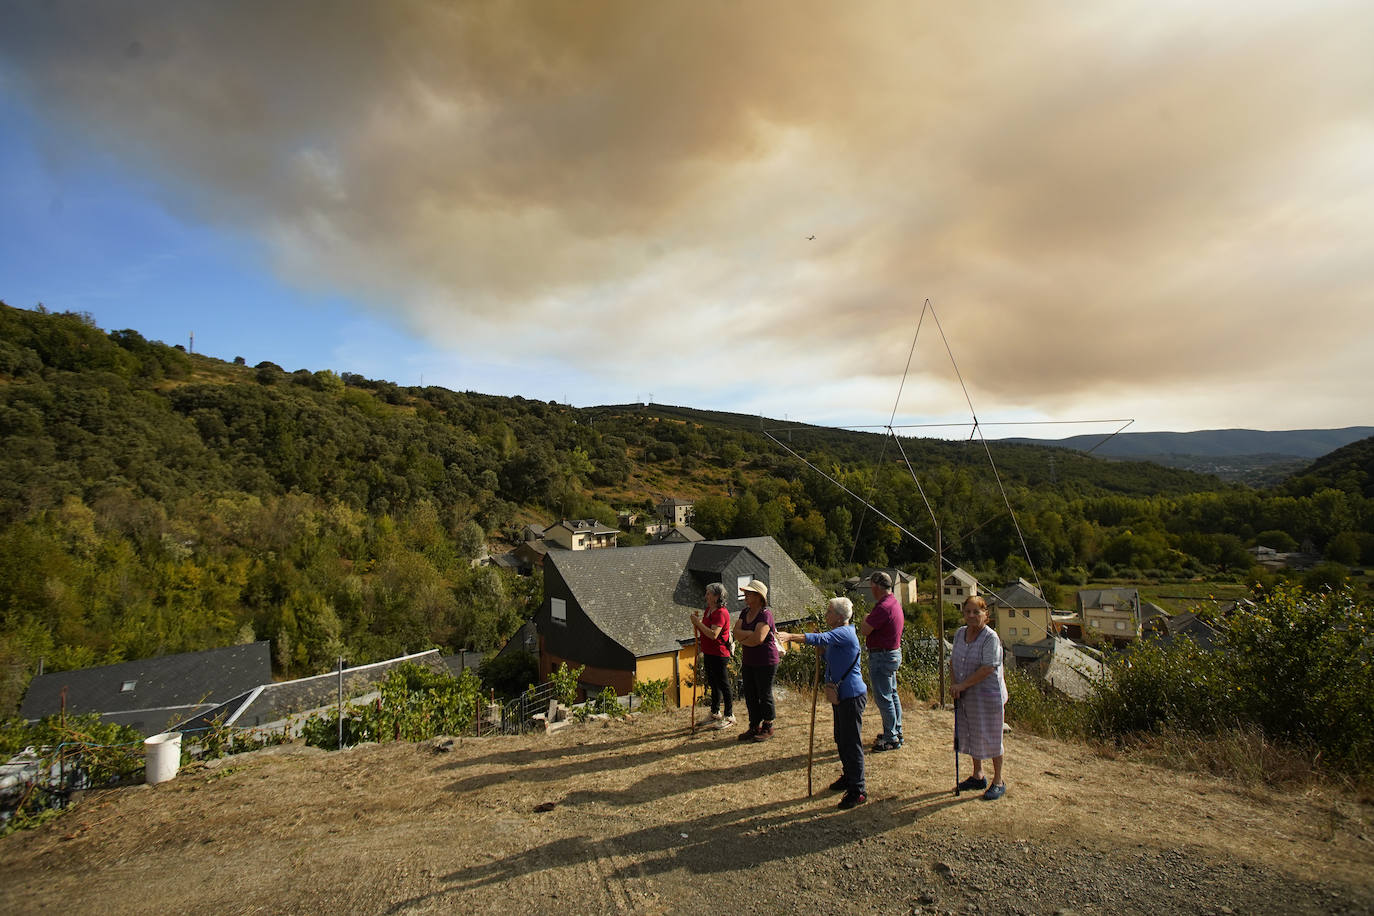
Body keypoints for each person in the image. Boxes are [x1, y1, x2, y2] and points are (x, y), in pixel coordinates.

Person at [778, 597, 868, 809]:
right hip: (842, 696)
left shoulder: (844, 633)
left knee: (851, 742)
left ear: (838, 617)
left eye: (829, 611)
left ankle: (858, 789)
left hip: (851, 695)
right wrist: (823, 652)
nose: (826, 614)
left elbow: (820, 638)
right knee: (841, 738)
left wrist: (790, 636)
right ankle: (849, 776)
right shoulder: (838, 636)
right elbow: (830, 652)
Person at [950, 596, 1008, 800]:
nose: (972, 616)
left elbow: (988, 667)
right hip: (967, 694)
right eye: (968, 612)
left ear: (986, 615)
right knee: (972, 732)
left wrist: (962, 685)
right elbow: (953, 661)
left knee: (991, 735)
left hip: (987, 696)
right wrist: (955, 685)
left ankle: (999, 781)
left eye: (977, 612)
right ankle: (978, 775)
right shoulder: (959, 634)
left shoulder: (990, 637)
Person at [862, 571, 904, 751]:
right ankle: (895, 730)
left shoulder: (882, 608)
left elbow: (865, 629)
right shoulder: (893, 602)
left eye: (871, 585)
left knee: (884, 697)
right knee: (892, 694)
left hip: (882, 656)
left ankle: (890, 737)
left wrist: (865, 618)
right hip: (892, 653)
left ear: (876, 587)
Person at [735, 579, 779, 742]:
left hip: (766, 661)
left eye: (749, 593)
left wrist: (744, 636)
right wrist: (749, 634)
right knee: (750, 694)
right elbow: (736, 633)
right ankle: (754, 725)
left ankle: (768, 725)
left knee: (764, 693)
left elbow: (758, 639)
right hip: (749, 660)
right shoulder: (745, 612)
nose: (745, 596)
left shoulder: (765, 614)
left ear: (758, 596)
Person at [690, 582, 735, 729]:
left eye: (709, 593)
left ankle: (729, 715)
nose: (706, 596)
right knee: (713, 683)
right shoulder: (709, 610)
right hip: (709, 652)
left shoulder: (721, 613)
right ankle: (715, 711)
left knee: (723, 684)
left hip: (719, 653)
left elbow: (713, 634)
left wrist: (698, 623)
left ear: (716, 596)